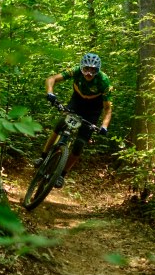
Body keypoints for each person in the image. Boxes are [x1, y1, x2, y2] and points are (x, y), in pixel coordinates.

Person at [37, 52, 113, 188]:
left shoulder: (104, 81)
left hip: (93, 109)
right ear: (82, 67)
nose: (89, 73)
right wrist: (50, 92)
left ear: (98, 70)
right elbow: (52, 78)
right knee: (60, 125)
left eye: (93, 70)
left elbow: (107, 109)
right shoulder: (76, 71)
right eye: (86, 69)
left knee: (79, 144)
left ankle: (61, 175)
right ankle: (43, 157)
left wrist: (104, 126)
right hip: (77, 102)